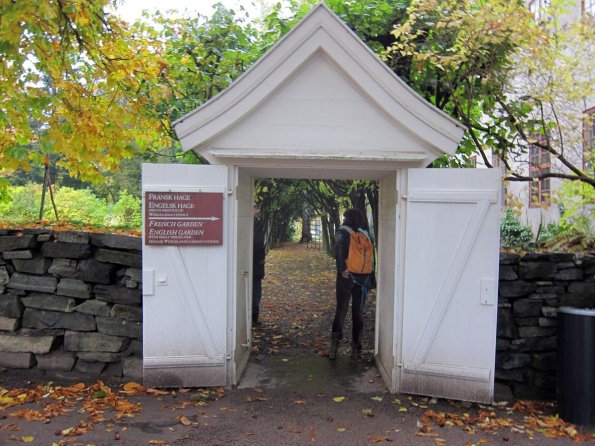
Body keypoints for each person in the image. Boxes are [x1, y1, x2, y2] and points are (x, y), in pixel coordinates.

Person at [329, 208, 374, 361]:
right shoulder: (365, 233)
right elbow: (370, 257)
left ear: (346, 218)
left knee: (341, 310)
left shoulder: (343, 231)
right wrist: (370, 279)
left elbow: (338, 250)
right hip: (363, 279)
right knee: (358, 312)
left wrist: (342, 269)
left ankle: (334, 347)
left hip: (346, 277)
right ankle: (356, 349)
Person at [252, 206, 266, 326]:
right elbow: (258, 244)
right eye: (256, 207)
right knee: (256, 290)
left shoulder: (253, 223)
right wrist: (261, 259)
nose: (259, 210)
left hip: (251, 262)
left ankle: (252, 316)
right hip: (255, 263)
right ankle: (253, 317)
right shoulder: (255, 224)